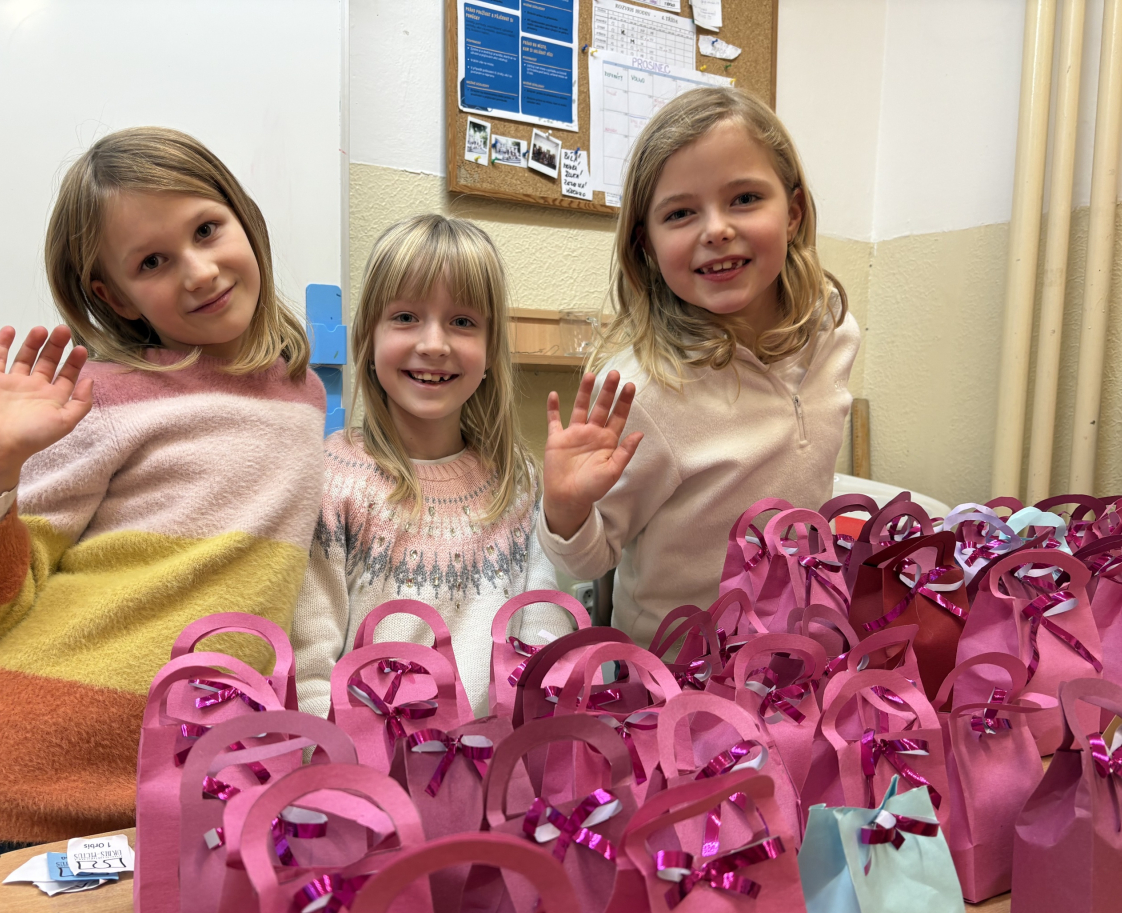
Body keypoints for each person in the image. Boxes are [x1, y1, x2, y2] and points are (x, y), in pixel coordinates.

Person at [0, 127, 325, 894]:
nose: (199, 271)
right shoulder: (97, 400)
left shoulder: (303, 395)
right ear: (111, 295)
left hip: (184, 793)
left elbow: (267, 600)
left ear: (244, 218)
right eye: (152, 262)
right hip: (20, 795)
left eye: (206, 229)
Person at [538, 86, 859, 647]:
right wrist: (567, 509)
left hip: (795, 654)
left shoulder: (834, 333)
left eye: (744, 198)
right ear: (647, 245)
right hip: (677, 674)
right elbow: (591, 559)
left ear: (793, 213)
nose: (716, 230)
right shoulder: (643, 391)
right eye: (681, 213)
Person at [293, 215, 568, 718]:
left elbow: (543, 636)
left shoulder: (520, 481)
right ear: (368, 339)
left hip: (501, 758)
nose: (435, 344)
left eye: (462, 322)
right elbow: (309, 675)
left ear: (490, 350)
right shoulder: (330, 480)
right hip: (366, 764)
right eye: (405, 317)